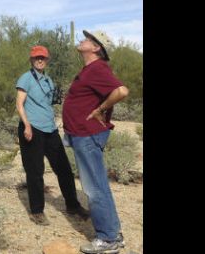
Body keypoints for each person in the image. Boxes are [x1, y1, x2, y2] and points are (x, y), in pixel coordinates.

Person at [63, 30, 130, 254]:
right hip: (82, 134)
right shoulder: (89, 69)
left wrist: (100, 109)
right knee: (98, 185)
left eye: (87, 39)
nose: (82, 40)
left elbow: (121, 91)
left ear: (96, 48)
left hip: (88, 135)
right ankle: (112, 235)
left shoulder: (98, 68)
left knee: (94, 188)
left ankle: (108, 239)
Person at [16, 45, 89, 226]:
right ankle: (37, 211)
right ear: (31, 60)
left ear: (47, 60)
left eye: (42, 57)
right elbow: (19, 104)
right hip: (32, 128)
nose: (39, 60)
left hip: (50, 129)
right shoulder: (25, 78)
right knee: (35, 171)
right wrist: (26, 125)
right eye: (36, 58)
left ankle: (72, 205)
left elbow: (49, 103)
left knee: (64, 169)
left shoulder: (49, 80)